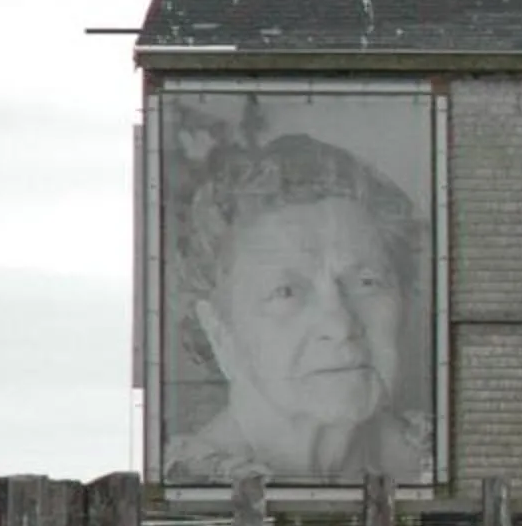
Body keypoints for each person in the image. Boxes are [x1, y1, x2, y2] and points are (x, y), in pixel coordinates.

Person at [163, 131, 433, 484]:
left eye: (367, 283)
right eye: (287, 291)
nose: (340, 324)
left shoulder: (440, 459)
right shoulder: (182, 491)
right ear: (219, 332)